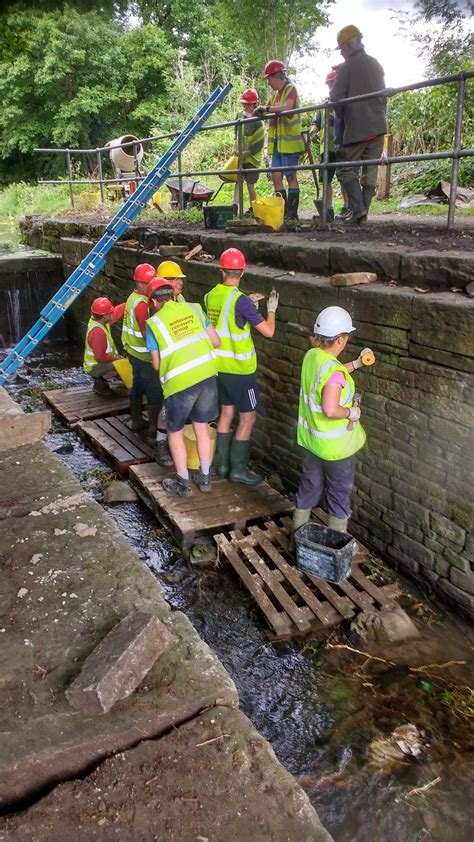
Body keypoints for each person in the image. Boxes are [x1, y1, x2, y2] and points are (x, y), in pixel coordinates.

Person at [292, 306, 375, 540]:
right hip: (336, 449)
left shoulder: (313, 356)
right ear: (339, 339)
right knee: (338, 494)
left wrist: (356, 364)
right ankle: (334, 545)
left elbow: (332, 373)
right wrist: (351, 412)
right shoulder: (333, 374)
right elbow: (330, 408)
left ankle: (296, 538)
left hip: (313, 442)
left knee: (309, 488)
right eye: (346, 337)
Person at [204, 247, 279, 485]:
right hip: (241, 371)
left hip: (219, 368)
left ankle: (223, 465)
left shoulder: (210, 296)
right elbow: (268, 332)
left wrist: (248, 312)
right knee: (248, 418)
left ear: (221, 271)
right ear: (243, 272)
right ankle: (238, 470)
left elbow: (227, 324)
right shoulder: (241, 301)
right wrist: (271, 311)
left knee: (226, 412)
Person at [146, 279, 221, 497]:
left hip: (179, 383)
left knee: (175, 431)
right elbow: (215, 341)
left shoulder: (154, 323)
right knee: (201, 427)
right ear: (173, 294)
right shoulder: (195, 309)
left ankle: (183, 481)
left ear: (153, 301)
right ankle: (205, 477)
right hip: (207, 375)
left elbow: (157, 364)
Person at [330, 25, 387, 224]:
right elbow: (383, 96)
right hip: (378, 125)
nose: (342, 53)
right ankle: (361, 215)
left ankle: (359, 211)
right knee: (370, 170)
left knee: (345, 168)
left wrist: (340, 117)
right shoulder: (375, 63)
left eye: (342, 49)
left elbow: (336, 97)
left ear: (348, 46)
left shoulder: (347, 66)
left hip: (357, 127)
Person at [121, 263, 172, 465]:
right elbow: (146, 331)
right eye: (147, 282)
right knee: (154, 393)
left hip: (133, 352)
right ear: (139, 283)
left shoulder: (132, 298)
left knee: (137, 386)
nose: (151, 285)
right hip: (143, 355)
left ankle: (135, 419)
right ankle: (152, 428)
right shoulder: (142, 303)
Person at [261, 59, 305, 220]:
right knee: (275, 176)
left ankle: (292, 213)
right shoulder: (275, 97)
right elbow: (267, 111)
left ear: (277, 76)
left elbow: (287, 107)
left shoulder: (290, 90)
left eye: (269, 79)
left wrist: (267, 109)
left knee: (291, 176)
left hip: (290, 143)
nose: (269, 83)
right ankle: (284, 211)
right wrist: (264, 111)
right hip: (278, 144)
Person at [309, 68, 349, 222]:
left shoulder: (346, 102)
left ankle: (347, 206)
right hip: (326, 150)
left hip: (342, 146)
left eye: (333, 84)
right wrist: (312, 133)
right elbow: (316, 123)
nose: (331, 88)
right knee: (325, 179)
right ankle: (328, 209)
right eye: (329, 85)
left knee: (344, 177)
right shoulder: (324, 105)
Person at [232, 88, 265, 216]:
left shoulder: (258, 122)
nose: (246, 106)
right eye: (244, 103)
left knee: (250, 184)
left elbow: (259, 143)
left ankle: (253, 208)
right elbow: (236, 132)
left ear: (255, 104)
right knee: (238, 181)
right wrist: (235, 148)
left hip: (252, 158)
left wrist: (246, 153)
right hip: (240, 154)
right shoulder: (239, 116)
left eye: (249, 104)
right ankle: (235, 206)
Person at [83, 297, 125, 394]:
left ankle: (101, 380)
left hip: (94, 364)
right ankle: (100, 382)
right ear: (104, 315)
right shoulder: (98, 333)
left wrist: (129, 303)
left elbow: (116, 312)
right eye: (110, 312)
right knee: (123, 365)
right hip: (94, 367)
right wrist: (116, 359)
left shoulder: (97, 320)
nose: (112, 313)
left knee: (120, 363)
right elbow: (100, 357)